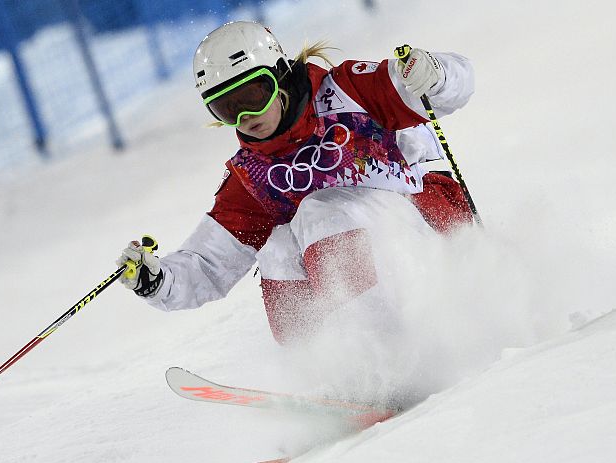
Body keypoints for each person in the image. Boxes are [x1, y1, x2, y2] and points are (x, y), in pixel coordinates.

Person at [118, 21, 475, 344]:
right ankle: (327, 370)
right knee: (276, 247)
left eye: (253, 96)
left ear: (279, 76)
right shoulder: (252, 177)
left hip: (433, 243)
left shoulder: (349, 93)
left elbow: (448, 85)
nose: (246, 117)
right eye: (227, 109)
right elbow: (209, 264)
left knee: (318, 212)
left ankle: (384, 350)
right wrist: (158, 281)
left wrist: (435, 75)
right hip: (378, 275)